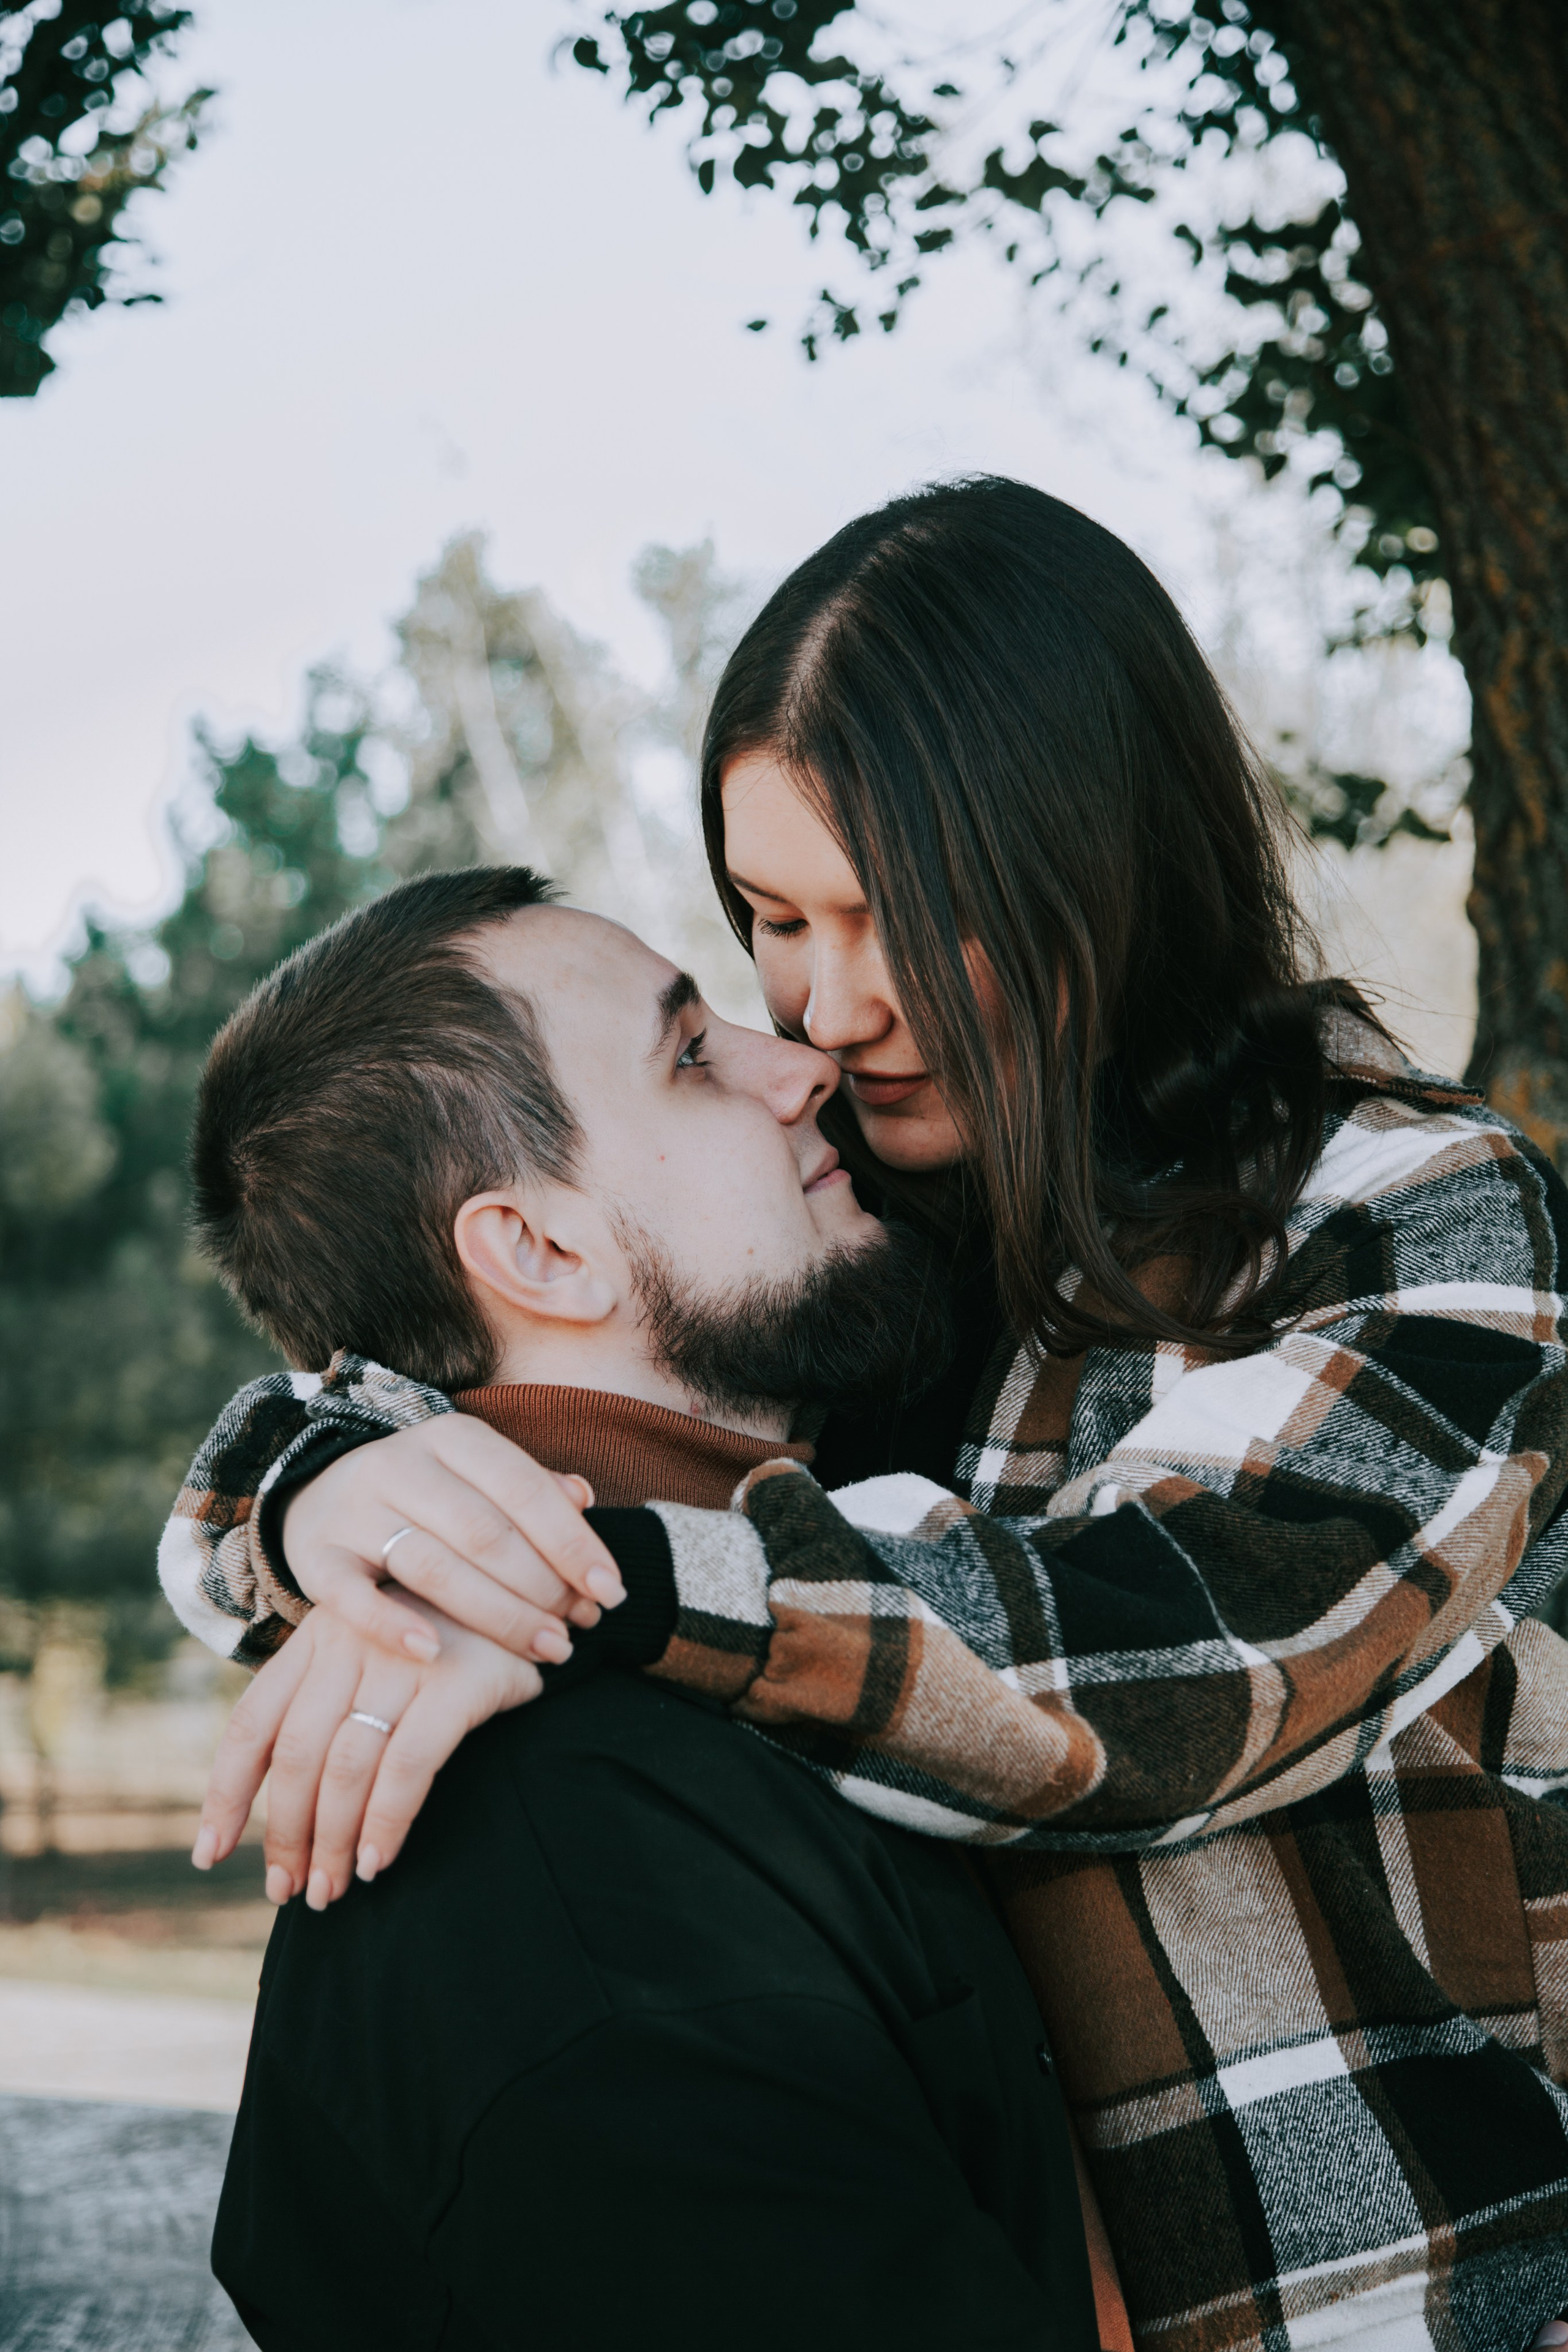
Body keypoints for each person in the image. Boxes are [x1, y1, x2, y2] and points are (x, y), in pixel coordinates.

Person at [164, 478, 1568, 2351]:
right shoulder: (866, 1244)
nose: (824, 1014)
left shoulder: (1413, 1213)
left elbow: (1195, 1659)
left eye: (897, 913)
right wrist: (331, 1502)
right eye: (772, 920)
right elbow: (470, 1339)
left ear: (1096, 859)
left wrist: (577, 1584)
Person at [181, 862, 1103, 2352]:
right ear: (539, 1249)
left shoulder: (845, 1550)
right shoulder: (573, 1877)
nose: (802, 1063)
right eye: (690, 1056)